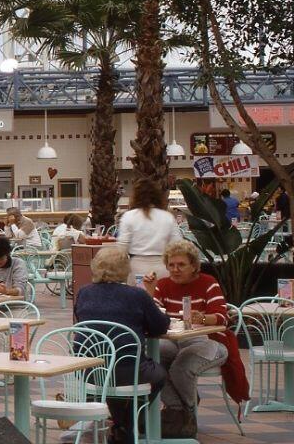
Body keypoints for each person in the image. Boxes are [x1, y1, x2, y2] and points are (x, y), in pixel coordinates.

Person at [144, 241, 249, 437]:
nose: (175, 269)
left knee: (181, 367)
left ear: (193, 265)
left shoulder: (208, 283)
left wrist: (201, 317)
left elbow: (222, 318)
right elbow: (152, 315)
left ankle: (188, 415)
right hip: (175, 340)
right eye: (171, 265)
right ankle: (178, 410)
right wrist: (150, 292)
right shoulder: (164, 284)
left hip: (210, 341)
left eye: (181, 265)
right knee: (151, 363)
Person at [73, 246, 168, 444]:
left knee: (114, 383)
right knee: (158, 375)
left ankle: (121, 424)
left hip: (88, 369)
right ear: (126, 268)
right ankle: (128, 424)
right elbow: (159, 326)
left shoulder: (84, 293)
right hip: (127, 369)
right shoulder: (137, 295)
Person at [116, 180, 181, 280]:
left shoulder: (128, 216)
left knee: (138, 295)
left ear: (135, 197)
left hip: (137, 267)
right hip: (163, 267)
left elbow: (122, 248)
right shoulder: (168, 217)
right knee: (161, 294)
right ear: (157, 196)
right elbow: (177, 245)